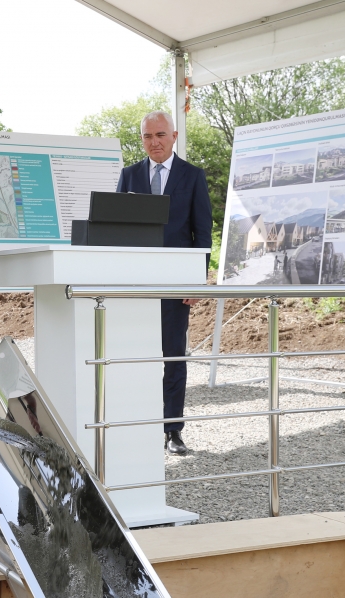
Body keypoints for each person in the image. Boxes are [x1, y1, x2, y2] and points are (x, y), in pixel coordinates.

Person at [115, 111, 212, 456]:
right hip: (135, 287)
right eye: (147, 136)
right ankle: (137, 427)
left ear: (173, 136)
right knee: (134, 357)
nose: (154, 142)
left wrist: (196, 281)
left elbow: (202, 232)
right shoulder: (129, 176)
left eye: (160, 135)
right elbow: (116, 230)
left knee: (173, 357)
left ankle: (173, 430)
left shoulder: (193, 176)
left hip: (175, 285)